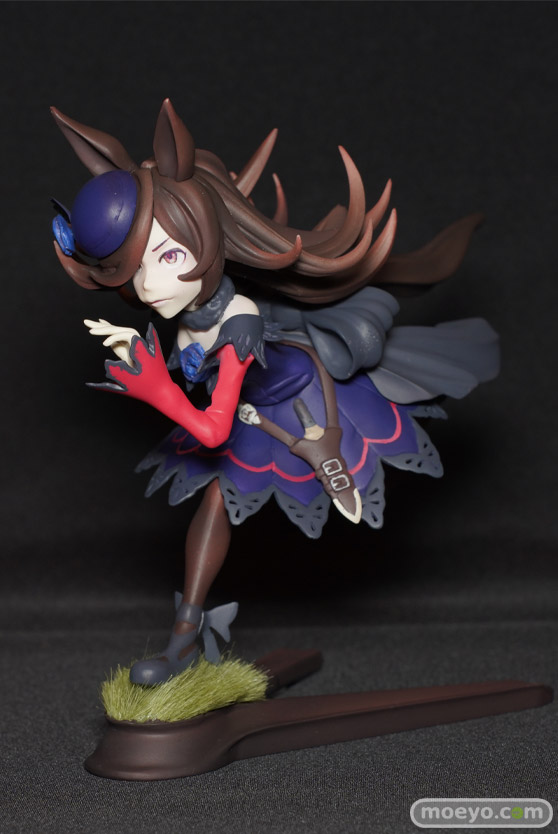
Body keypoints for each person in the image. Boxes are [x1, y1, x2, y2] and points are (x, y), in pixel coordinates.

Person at [51, 99, 499, 685]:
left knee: (228, 482)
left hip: (302, 404)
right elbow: (209, 400)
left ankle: (327, 448)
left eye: (168, 256)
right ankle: (184, 637)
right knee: (214, 503)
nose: (151, 285)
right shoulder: (188, 313)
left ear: (207, 238)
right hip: (248, 412)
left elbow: (211, 428)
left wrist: (155, 387)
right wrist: (145, 356)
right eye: (134, 271)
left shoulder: (237, 320)